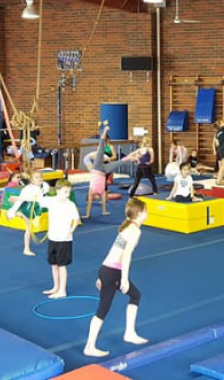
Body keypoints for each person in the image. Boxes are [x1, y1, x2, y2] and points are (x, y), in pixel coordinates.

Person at [83, 198, 149, 357]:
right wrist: (124, 278)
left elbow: (113, 251)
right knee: (103, 309)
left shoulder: (127, 227)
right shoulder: (134, 230)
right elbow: (126, 255)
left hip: (107, 270)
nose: (147, 213)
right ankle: (89, 346)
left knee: (135, 295)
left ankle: (130, 333)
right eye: (146, 211)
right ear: (139, 214)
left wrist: (101, 275)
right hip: (113, 272)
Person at [39, 179, 80, 299]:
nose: (67, 195)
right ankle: (56, 287)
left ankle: (62, 290)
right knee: (54, 264)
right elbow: (38, 199)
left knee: (62, 265)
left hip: (64, 239)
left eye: (68, 192)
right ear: (57, 191)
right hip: (53, 237)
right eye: (65, 192)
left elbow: (76, 220)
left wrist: (71, 231)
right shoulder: (51, 201)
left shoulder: (70, 205)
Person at [83, 124, 123, 219]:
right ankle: (104, 131)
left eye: (94, 198)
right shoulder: (96, 191)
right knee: (100, 177)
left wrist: (107, 160)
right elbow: (89, 202)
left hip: (103, 166)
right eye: (95, 199)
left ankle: (104, 211)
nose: (95, 199)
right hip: (95, 162)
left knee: (103, 179)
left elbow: (114, 157)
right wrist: (86, 215)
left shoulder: (110, 147)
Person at [7, 170, 50, 256]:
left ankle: (26, 248)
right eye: (36, 177)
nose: (39, 178)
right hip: (27, 207)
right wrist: (12, 212)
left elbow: (44, 197)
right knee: (29, 228)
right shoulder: (28, 189)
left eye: (40, 177)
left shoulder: (44, 186)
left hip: (35, 207)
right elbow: (21, 200)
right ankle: (26, 249)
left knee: (29, 228)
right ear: (32, 180)